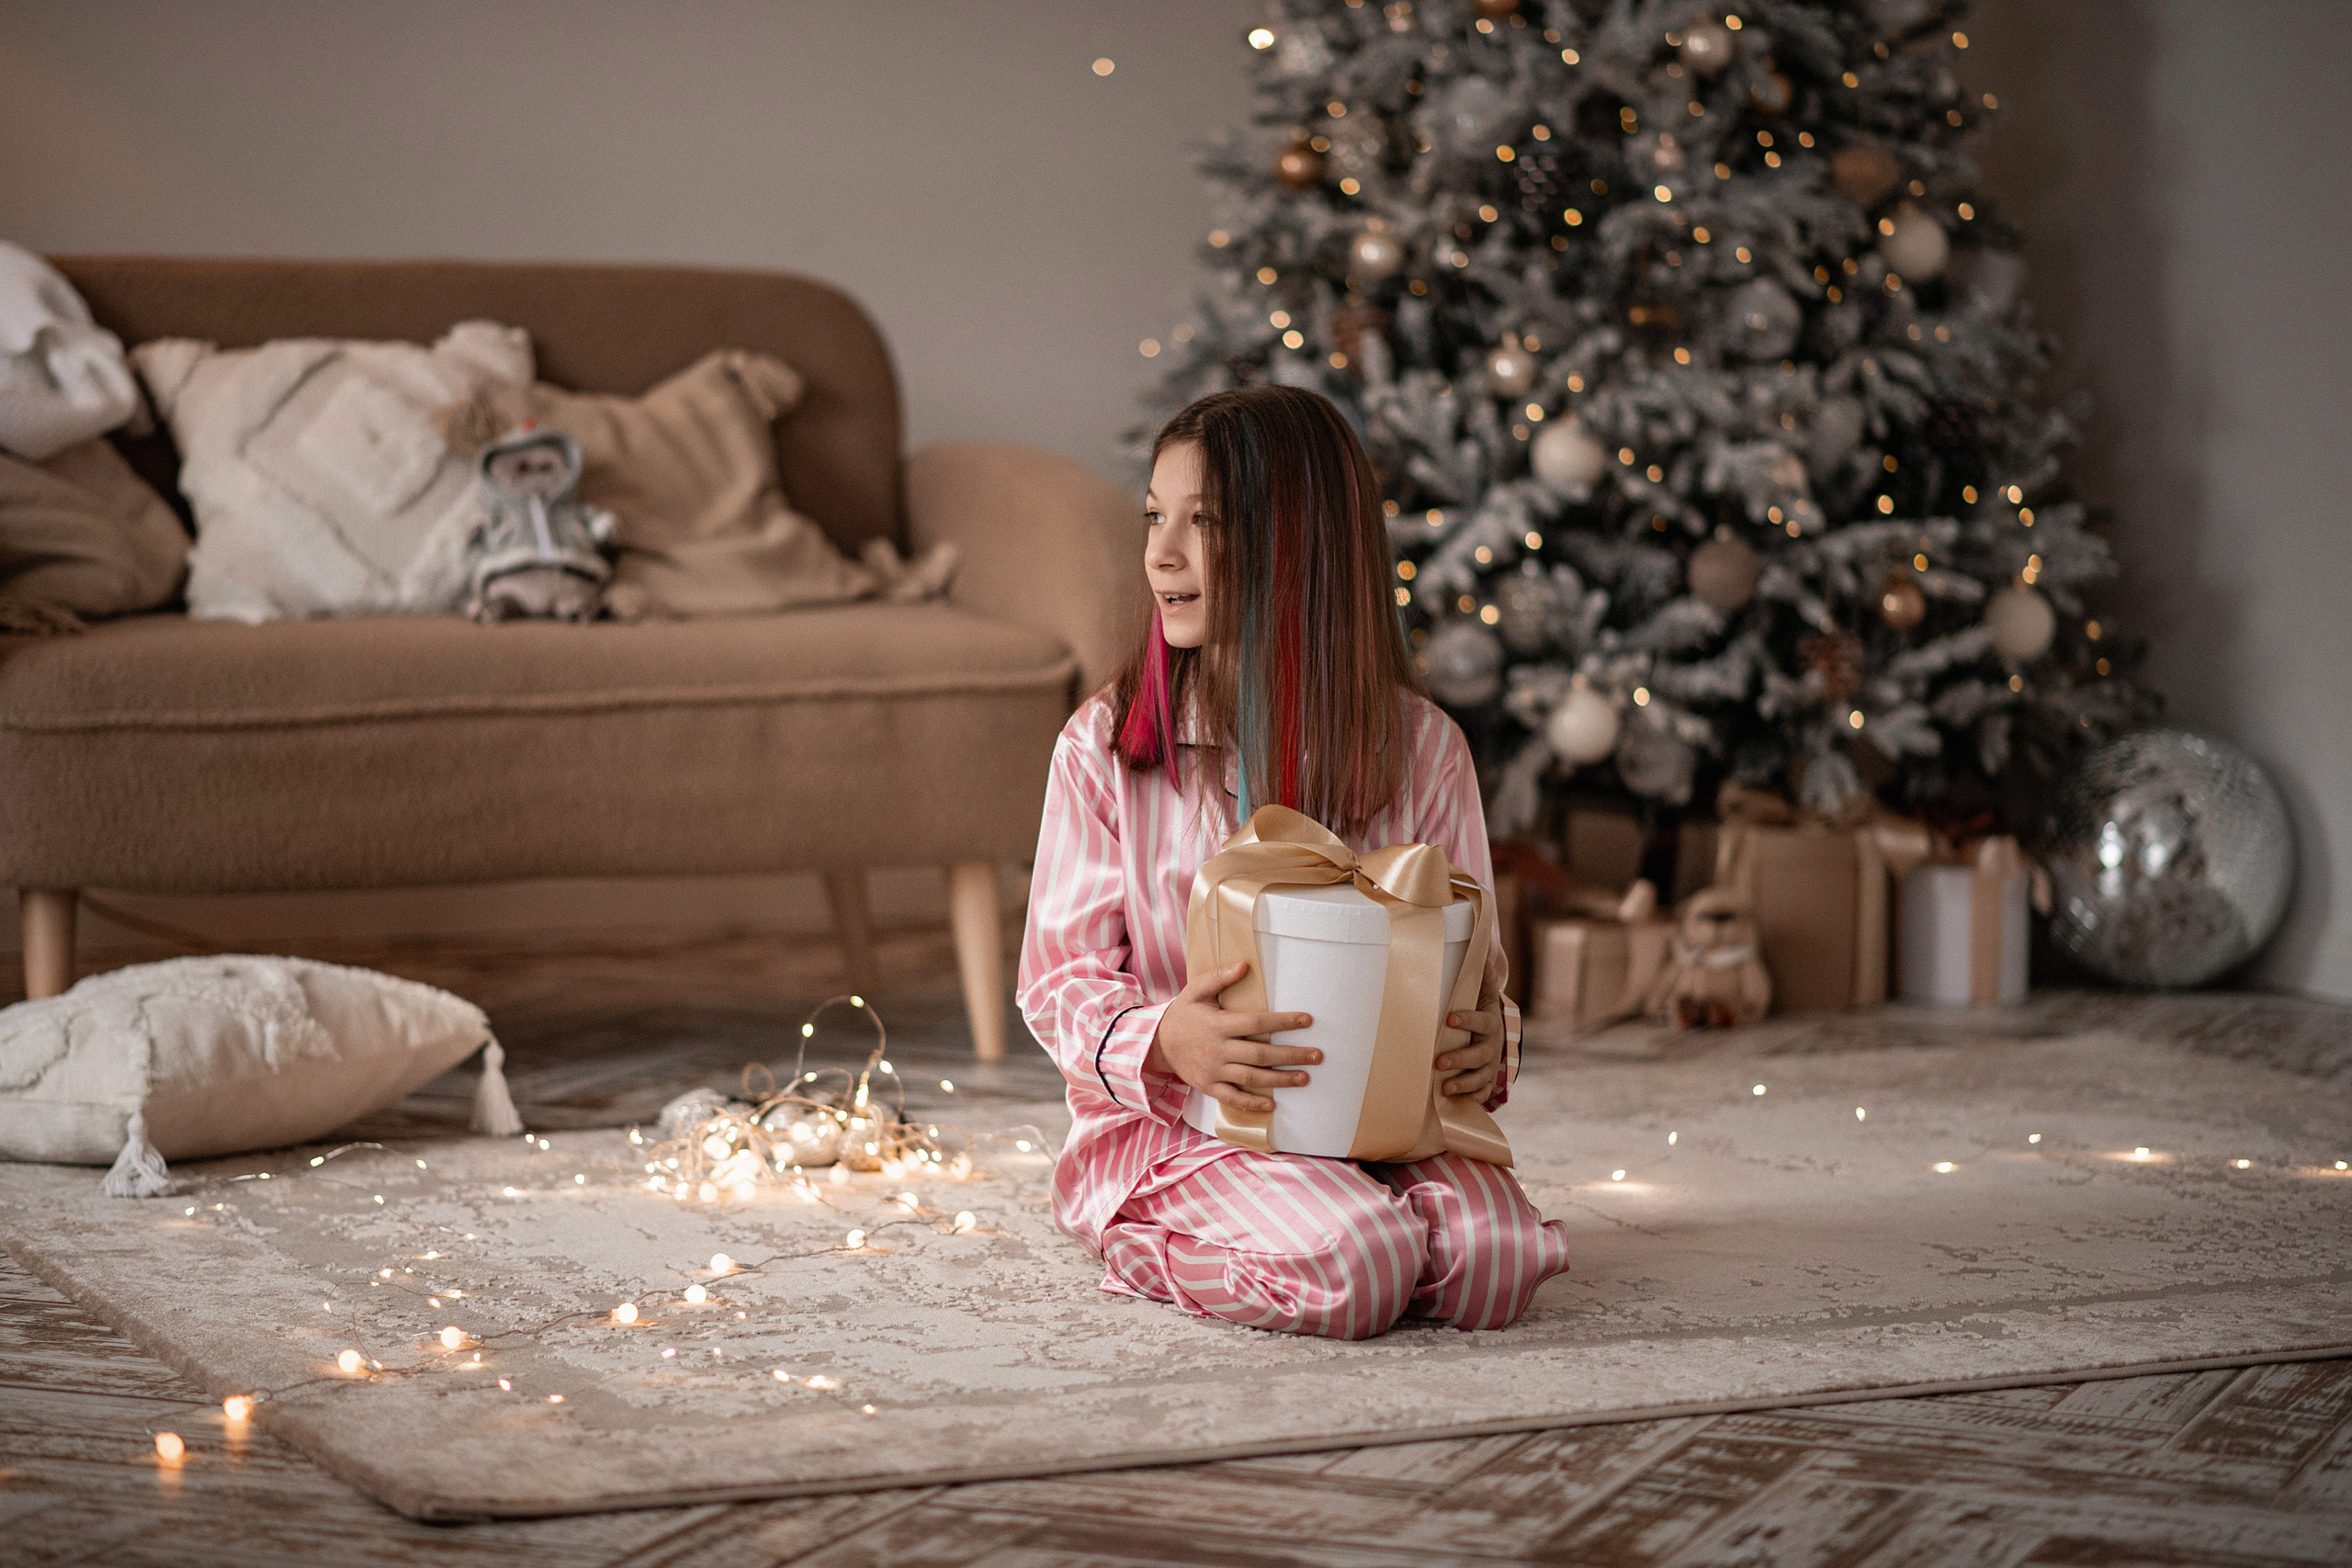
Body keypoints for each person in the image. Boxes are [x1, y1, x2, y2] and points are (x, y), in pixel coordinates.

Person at [1018, 385, 1570, 1341]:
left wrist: (1490, 1042)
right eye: (1156, 516)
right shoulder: (1105, 746)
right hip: (1183, 1128)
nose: (1161, 553)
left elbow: (1474, 974)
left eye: (1206, 523)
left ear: (1297, 549)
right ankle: (1141, 1238)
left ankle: (1350, 1219)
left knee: (1497, 1268)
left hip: (1388, 1121)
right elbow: (1055, 978)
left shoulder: (1425, 750)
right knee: (1355, 1268)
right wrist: (1165, 1040)